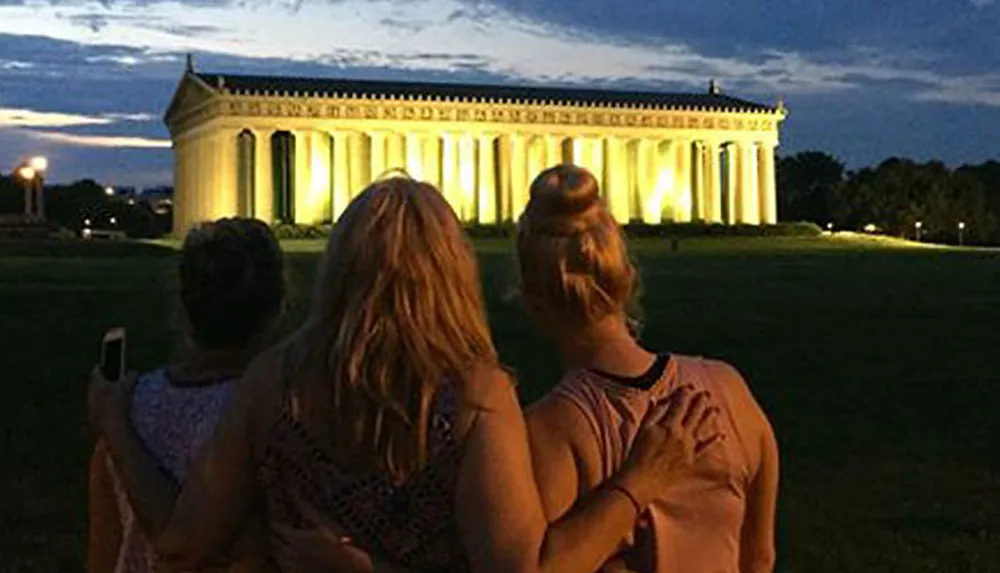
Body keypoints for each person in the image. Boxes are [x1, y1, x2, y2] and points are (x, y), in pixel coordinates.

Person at [88, 176, 723, 573]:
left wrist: (117, 424)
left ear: (339, 268)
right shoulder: (477, 396)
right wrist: (638, 484)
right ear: (453, 270)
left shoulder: (273, 380)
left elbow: (183, 542)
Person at [519, 165, 779, 573]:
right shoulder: (730, 390)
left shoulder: (549, 428)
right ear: (627, 277)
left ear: (533, 301)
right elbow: (759, 557)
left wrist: (635, 487)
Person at [87, 217, 287, 573]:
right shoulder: (280, 413)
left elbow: (104, 551)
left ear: (184, 302)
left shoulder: (124, 406)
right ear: (278, 304)